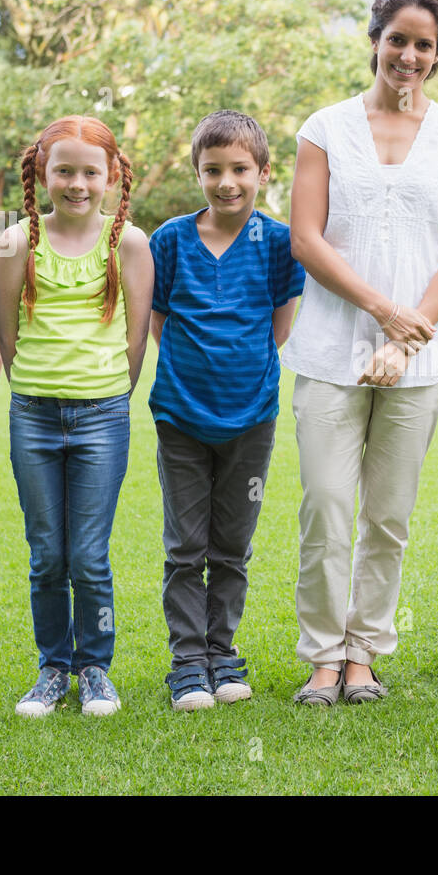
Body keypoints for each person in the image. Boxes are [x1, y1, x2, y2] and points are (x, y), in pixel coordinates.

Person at [285, 0, 438, 705]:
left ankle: (364, 652)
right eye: (396, 38)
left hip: (423, 356)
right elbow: (306, 238)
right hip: (332, 347)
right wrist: (380, 313)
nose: (408, 54)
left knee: (388, 513)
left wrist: (406, 338)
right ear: (374, 39)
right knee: (328, 505)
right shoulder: (326, 127)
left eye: (423, 44)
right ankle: (322, 654)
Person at [0, 115, 153, 716]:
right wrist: (36, 388)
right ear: (42, 172)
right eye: (64, 170)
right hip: (33, 416)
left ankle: (95, 669)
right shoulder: (15, 243)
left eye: (91, 171)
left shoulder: (128, 243)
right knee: (47, 554)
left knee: (88, 555)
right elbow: (6, 335)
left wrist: (105, 392)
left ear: (111, 176)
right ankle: (52, 668)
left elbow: (135, 342)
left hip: (102, 417)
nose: (77, 183)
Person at [147, 111, 304, 710]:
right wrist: (195, 373)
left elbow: (278, 324)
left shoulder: (279, 241)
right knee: (186, 546)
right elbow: (160, 320)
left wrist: (244, 370)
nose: (226, 181)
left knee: (232, 546)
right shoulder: (170, 240)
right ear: (198, 174)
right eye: (212, 170)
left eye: (240, 169)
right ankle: (188, 660)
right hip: (181, 417)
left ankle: (222, 651)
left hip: (253, 417)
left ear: (263, 172)